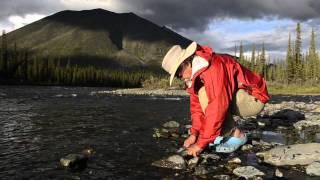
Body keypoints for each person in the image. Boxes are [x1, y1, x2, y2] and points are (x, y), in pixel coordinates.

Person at [161, 42, 270, 157]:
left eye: (179, 73)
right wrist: (195, 134)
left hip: (254, 99)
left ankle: (236, 135)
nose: (180, 78)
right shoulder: (196, 74)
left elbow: (217, 107)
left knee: (206, 95)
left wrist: (200, 145)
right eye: (178, 76)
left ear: (187, 63)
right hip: (238, 96)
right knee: (205, 95)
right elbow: (197, 108)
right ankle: (225, 133)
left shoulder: (213, 67)